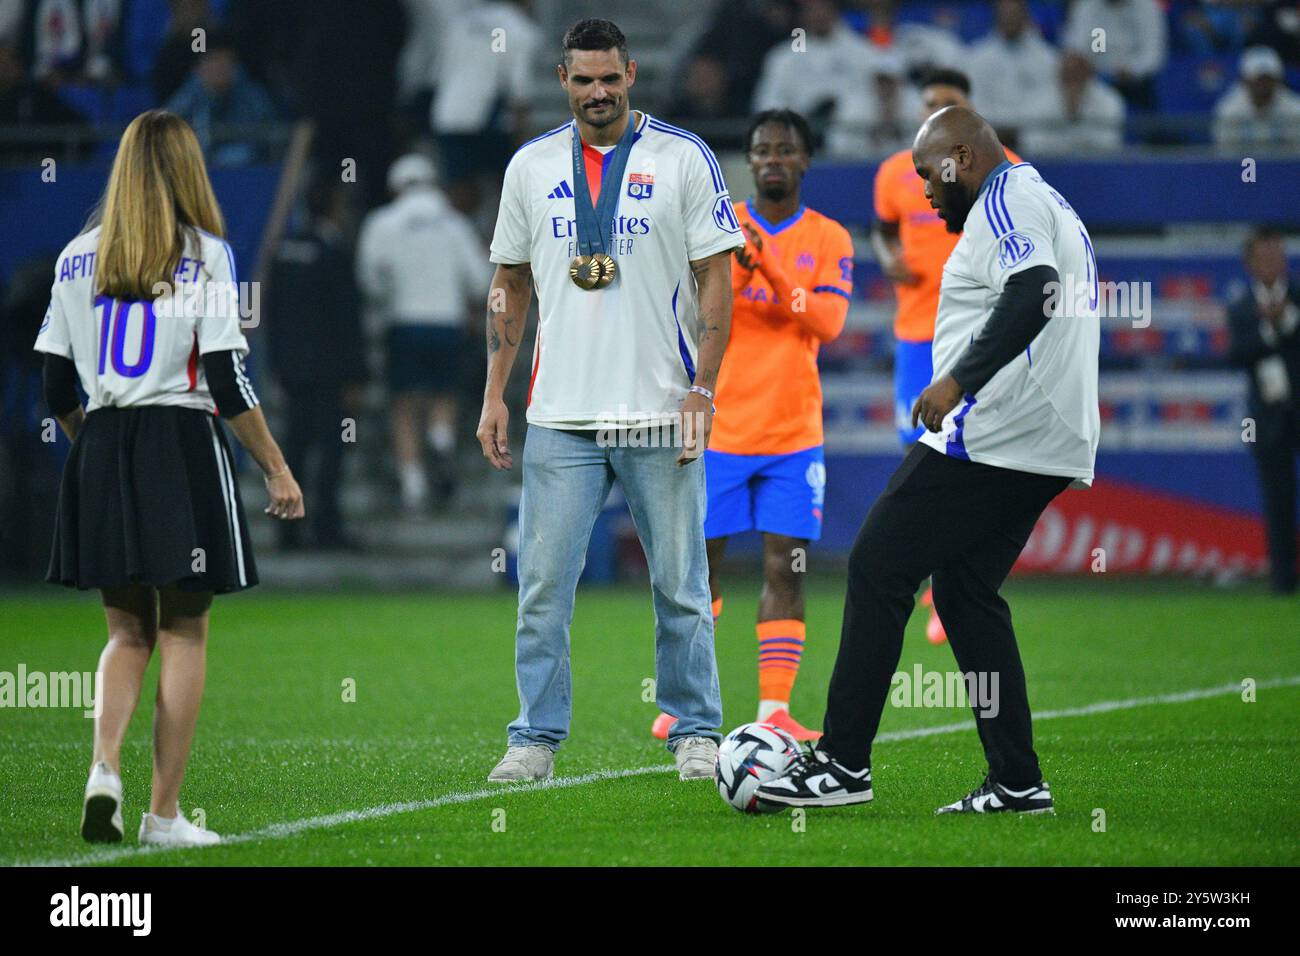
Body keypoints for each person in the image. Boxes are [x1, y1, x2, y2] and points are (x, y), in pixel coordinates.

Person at [757, 106, 1099, 814]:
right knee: (966, 595)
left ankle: (842, 766)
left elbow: (1034, 289)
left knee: (879, 563)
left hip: (997, 433)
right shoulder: (1041, 199)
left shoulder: (1008, 199)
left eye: (927, 176)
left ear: (962, 159)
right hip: (1044, 439)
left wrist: (956, 380)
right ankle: (1017, 781)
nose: (924, 193)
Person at [477, 18, 742, 783]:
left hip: (661, 409)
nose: (598, 92)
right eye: (583, 79)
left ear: (632, 73)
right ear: (562, 79)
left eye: (611, 78)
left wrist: (703, 389)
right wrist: (495, 393)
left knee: (681, 587)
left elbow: (716, 279)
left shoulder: (682, 157)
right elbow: (510, 284)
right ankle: (533, 739)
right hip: (560, 414)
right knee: (542, 589)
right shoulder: (529, 167)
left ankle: (695, 731)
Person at [34, 110, 304, 847]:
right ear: (189, 169)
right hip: (180, 441)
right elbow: (225, 373)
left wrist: (95, 452)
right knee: (185, 628)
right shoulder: (205, 254)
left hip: (105, 438)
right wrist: (276, 466)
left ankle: (103, 769)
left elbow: (56, 385)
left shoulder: (75, 256)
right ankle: (163, 815)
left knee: (125, 631)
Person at [650, 109, 851, 744]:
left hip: (794, 435)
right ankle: (687, 703)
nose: (771, 160)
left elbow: (826, 323)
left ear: (804, 161)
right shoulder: (720, 228)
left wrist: (768, 265)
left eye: (785, 150)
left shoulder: (828, 238)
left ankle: (773, 712)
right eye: (761, 149)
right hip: (722, 431)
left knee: (784, 571)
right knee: (697, 574)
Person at [871, 67, 1021, 644]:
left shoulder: (999, 164)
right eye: (928, 100)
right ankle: (931, 582)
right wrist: (886, 256)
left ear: (968, 113)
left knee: (970, 454)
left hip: (977, 332)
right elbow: (883, 229)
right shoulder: (895, 172)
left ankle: (951, 586)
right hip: (916, 333)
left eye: (947, 102)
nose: (934, 106)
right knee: (920, 453)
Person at [357, 153, 490, 512]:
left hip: (403, 323)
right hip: (447, 324)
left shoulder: (382, 223)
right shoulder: (454, 224)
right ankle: (442, 440)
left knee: (404, 405)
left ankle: (413, 484)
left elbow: (370, 281)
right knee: (444, 395)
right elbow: (480, 283)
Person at [267, 179, 367, 549]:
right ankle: (326, 527)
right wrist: (355, 375)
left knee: (293, 449)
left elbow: (272, 313)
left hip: (293, 373)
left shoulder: (284, 252)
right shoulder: (334, 252)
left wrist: (278, 364)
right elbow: (346, 318)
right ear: (335, 207)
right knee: (330, 450)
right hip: (329, 376)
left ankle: (288, 529)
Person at [1227, 228, 1300, 594]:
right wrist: (1271, 329)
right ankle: (1283, 579)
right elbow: (1234, 355)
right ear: (1250, 263)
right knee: (1278, 498)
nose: (1274, 263)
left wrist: (1287, 320)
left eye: (1279, 255)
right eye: (1265, 257)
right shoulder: (1241, 307)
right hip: (1267, 418)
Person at [966, 0, 1059, 146]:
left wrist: (1019, 128)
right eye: (1005, 15)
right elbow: (975, 99)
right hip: (991, 133)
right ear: (997, 17)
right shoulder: (977, 57)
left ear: (1025, 16)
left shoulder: (1047, 58)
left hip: (1032, 134)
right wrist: (997, 127)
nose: (1010, 19)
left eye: (1014, 15)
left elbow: (1049, 100)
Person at [1062, 0, 1167, 113]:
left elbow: (1153, 53)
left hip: (1136, 84)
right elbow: (1076, 46)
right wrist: (1088, 66)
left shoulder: (1147, 7)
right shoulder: (1087, 6)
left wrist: (1131, 70)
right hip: (1096, 80)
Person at [1020, 52, 1126, 156]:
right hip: (1051, 165)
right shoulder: (1039, 100)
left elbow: (1109, 142)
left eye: (1078, 75)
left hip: (1094, 166)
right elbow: (1031, 142)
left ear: (1089, 75)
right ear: (1059, 75)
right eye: (1068, 75)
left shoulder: (1109, 100)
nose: (1073, 82)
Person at [1213, 45, 1300, 149]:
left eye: (1268, 79)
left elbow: (1296, 153)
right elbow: (1225, 153)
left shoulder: (1295, 109)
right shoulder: (1229, 110)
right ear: (1245, 80)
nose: (1263, 84)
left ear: (1278, 79)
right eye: (1258, 79)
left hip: (1282, 165)